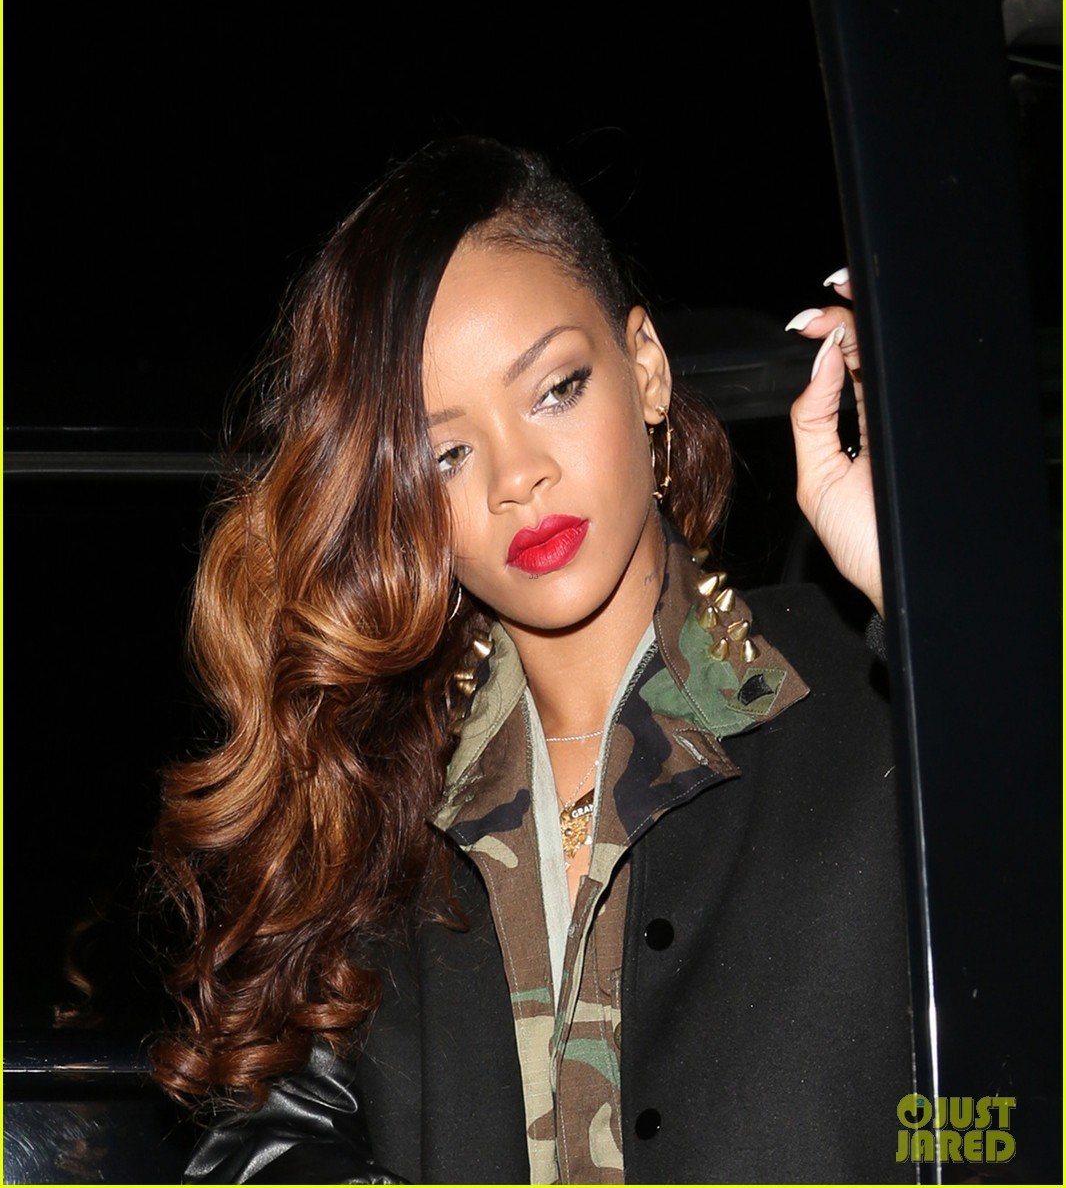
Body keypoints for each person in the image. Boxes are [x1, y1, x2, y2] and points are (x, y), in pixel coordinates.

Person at [154, 137, 912, 1184]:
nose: (516, 477)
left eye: (554, 388)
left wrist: (930, 594)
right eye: (446, 451)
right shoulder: (382, 802)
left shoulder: (877, 699)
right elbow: (272, 1137)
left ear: (645, 369)